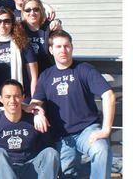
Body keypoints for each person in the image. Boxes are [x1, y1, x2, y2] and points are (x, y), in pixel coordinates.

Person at [30, 30, 116, 179]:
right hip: (62, 137)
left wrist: (106, 130)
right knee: (66, 174)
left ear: (71, 47)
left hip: (87, 131)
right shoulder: (45, 76)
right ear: (51, 50)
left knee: (101, 149)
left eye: (66, 46)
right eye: (58, 47)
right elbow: (35, 102)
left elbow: (108, 95)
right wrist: (37, 113)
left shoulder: (85, 70)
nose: (63, 50)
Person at [0, 79, 60, 179]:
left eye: (16, 96)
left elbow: (48, 143)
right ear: (1, 99)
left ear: (23, 98)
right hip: (4, 169)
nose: (12, 101)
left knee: (51, 153)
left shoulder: (33, 121)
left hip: (29, 167)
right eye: (7, 97)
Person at [0, 8, 38, 103]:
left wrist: (34, 101)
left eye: (6, 21)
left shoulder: (23, 44)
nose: (2, 25)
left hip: (22, 99)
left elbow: (33, 77)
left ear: (12, 24)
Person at [21, 0, 62, 74]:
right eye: (28, 10)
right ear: (23, 12)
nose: (32, 13)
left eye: (36, 9)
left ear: (41, 11)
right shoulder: (19, 29)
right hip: (26, 75)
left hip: (48, 73)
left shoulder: (50, 27)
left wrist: (58, 24)